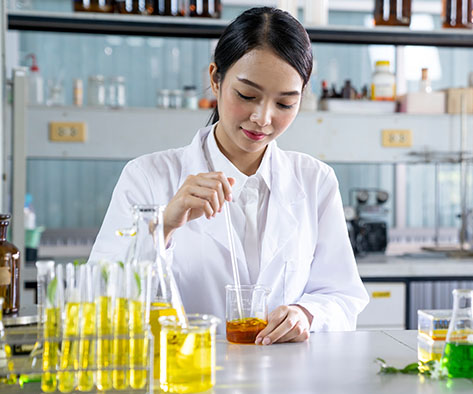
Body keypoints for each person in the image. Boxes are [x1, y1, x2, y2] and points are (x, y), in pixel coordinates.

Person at [89, 7, 369, 345]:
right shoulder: (147, 177)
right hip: (184, 377)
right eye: (247, 96)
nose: (262, 118)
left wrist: (306, 314)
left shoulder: (315, 180)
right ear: (215, 79)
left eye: (284, 104)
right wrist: (162, 226)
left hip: (286, 381)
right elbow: (99, 296)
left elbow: (342, 296)